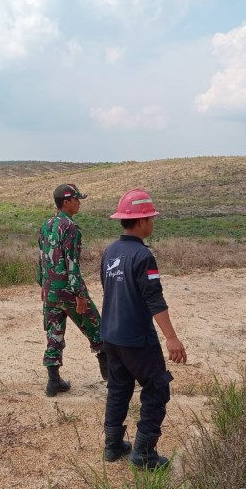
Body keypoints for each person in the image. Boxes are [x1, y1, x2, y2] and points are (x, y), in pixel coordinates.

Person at [100, 189, 187, 470]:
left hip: (111, 336)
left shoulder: (110, 251)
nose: (152, 223)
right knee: (157, 388)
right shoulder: (142, 256)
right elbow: (154, 299)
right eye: (150, 218)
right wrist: (171, 338)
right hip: (137, 338)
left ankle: (113, 446)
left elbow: (109, 289)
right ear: (140, 222)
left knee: (118, 389)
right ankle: (144, 453)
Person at [37, 183, 107, 397]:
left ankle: (53, 382)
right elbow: (72, 262)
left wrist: (42, 284)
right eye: (77, 199)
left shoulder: (46, 225)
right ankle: (113, 379)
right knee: (98, 330)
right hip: (68, 290)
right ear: (66, 202)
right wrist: (80, 294)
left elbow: (41, 258)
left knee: (54, 333)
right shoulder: (71, 227)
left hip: (50, 290)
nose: (79, 203)